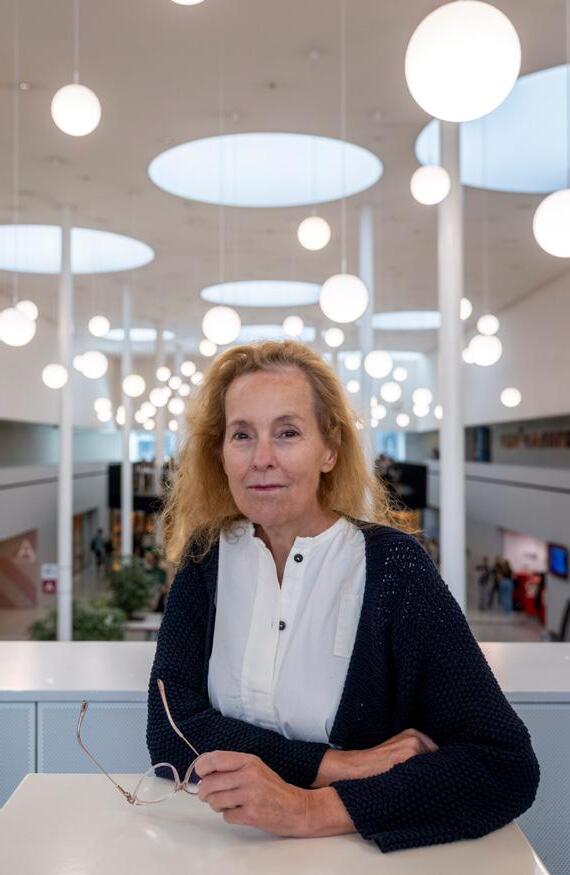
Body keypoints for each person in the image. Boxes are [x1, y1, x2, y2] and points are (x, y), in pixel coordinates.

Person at [146, 340, 539, 853]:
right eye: (242, 435)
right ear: (220, 452)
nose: (261, 459)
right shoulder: (206, 558)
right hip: (215, 849)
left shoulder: (392, 566)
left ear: (329, 449)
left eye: (288, 433)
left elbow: (503, 765)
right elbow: (170, 732)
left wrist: (308, 809)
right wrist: (336, 765)